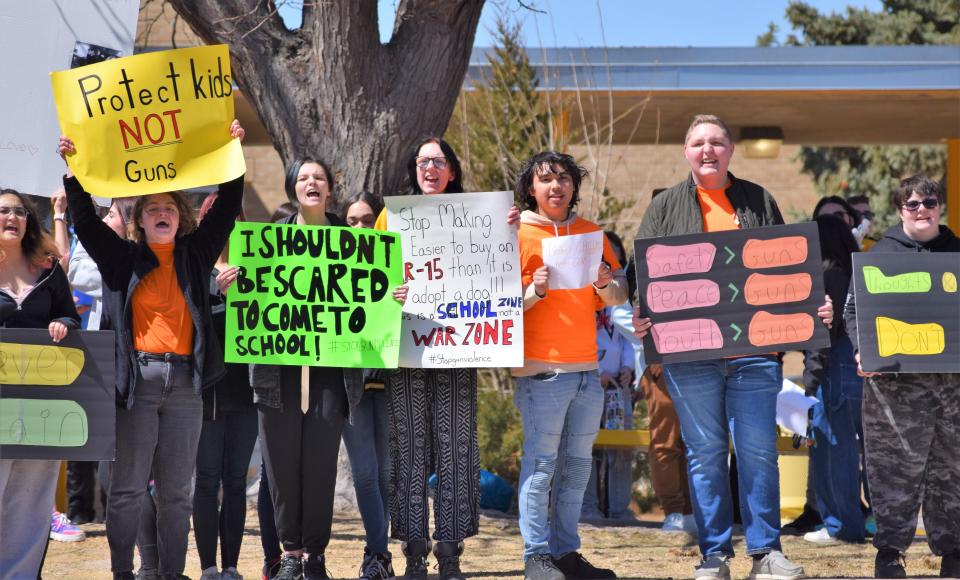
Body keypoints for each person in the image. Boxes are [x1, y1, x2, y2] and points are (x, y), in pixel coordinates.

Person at [632, 114, 833, 580]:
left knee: (759, 452)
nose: (708, 150)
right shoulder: (664, 206)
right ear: (686, 152)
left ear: (730, 151)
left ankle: (766, 554)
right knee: (704, 456)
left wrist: (811, 307)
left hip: (754, 356)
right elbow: (642, 274)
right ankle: (714, 556)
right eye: (698, 142)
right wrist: (643, 311)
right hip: (690, 356)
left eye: (717, 142)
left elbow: (788, 268)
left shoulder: (758, 199)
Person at [59, 120, 246, 580]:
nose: (162, 213)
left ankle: (170, 574)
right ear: (138, 220)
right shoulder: (123, 260)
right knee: (125, 490)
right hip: (136, 387)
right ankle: (125, 572)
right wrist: (74, 169)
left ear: (181, 217)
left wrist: (233, 153)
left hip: (186, 387)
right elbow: (84, 220)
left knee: (177, 493)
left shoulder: (195, 254)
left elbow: (228, 208)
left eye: (170, 207)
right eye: (153, 208)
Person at [373, 136, 518, 580]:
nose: (429, 168)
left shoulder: (485, 216)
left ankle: (450, 551)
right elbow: (374, 281)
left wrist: (513, 226)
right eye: (422, 162)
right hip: (408, 349)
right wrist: (389, 292)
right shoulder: (390, 217)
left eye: (438, 161)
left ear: (452, 170)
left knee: (457, 449)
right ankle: (414, 551)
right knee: (409, 450)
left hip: (460, 346)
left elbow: (505, 268)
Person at [247, 157, 364, 580]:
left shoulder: (351, 242)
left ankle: (315, 557)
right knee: (279, 470)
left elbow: (369, 303)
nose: (311, 182)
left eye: (319, 178)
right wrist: (233, 284)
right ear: (292, 187)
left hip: (331, 376)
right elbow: (252, 301)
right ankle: (290, 555)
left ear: (329, 189)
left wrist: (393, 294)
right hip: (276, 376)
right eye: (303, 177)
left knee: (319, 468)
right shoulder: (267, 241)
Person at [513, 151, 627, 580]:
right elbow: (497, 307)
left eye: (564, 178)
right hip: (539, 369)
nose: (556, 186)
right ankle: (535, 555)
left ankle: (565, 553)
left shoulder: (590, 233)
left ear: (574, 187)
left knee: (577, 467)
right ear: (531, 188)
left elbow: (617, 296)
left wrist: (604, 282)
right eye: (546, 179)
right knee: (542, 465)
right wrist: (533, 291)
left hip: (586, 368)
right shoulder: (515, 234)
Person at [844, 175, 960, 579]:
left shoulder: (958, 254)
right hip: (894, 388)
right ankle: (890, 553)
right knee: (893, 470)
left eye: (929, 202)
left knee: (952, 468)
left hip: (953, 388)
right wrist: (862, 349)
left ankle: (954, 553)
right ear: (899, 210)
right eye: (912, 204)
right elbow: (853, 311)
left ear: (939, 206)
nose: (922, 209)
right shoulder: (880, 255)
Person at [0, 188, 81, 578]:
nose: (12, 217)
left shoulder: (49, 269)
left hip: (41, 406)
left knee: (31, 504)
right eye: (3, 210)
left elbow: (70, 316)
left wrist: (63, 324)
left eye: (19, 211)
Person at [193, 193, 259, 580]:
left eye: (232, 217)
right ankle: (208, 568)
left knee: (235, 482)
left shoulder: (256, 268)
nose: (225, 225)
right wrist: (216, 292)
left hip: (246, 391)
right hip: (205, 392)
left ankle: (232, 566)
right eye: (215, 218)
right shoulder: (193, 268)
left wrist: (241, 295)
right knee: (206, 482)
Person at [65, 197, 137, 527]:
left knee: (120, 439)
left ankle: (115, 511)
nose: (107, 220)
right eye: (105, 213)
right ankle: (79, 511)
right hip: (96, 349)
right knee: (83, 433)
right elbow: (78, 273)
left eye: (112, 214)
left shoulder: (142, 250)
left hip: (134, 355)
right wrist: (113, 268)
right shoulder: (95, 244)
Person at [335, 191, 395, 579]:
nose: (359, 226)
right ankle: (378, 553)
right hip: (350, 386)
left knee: (386, 475)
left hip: (391, 383)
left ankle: (378, 554)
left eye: (366, 218)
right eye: (352, 220)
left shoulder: (397, 265)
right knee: (365, 475)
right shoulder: (332, 266)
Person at [801, 215, 865, 546]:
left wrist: (808, 385)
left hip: (832, 370)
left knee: (834, 448)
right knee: (860, 450)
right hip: (858, 368)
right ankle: (864, 522)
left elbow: (819, 337)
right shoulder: (856, 273)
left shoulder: (825, 275)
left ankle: (842, 525)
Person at [581, 231, 637, 523]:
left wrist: (629, 368)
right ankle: (587, 507)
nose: (608, 262)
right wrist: (597, 370)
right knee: (585, 446)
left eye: (614, 258)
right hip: (591, 379)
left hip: (620, 385)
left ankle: (619, 508)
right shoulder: (582, 289)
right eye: (603, 257)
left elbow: (629, 336)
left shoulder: (622, 295)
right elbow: (579, 334)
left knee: (622, 448)